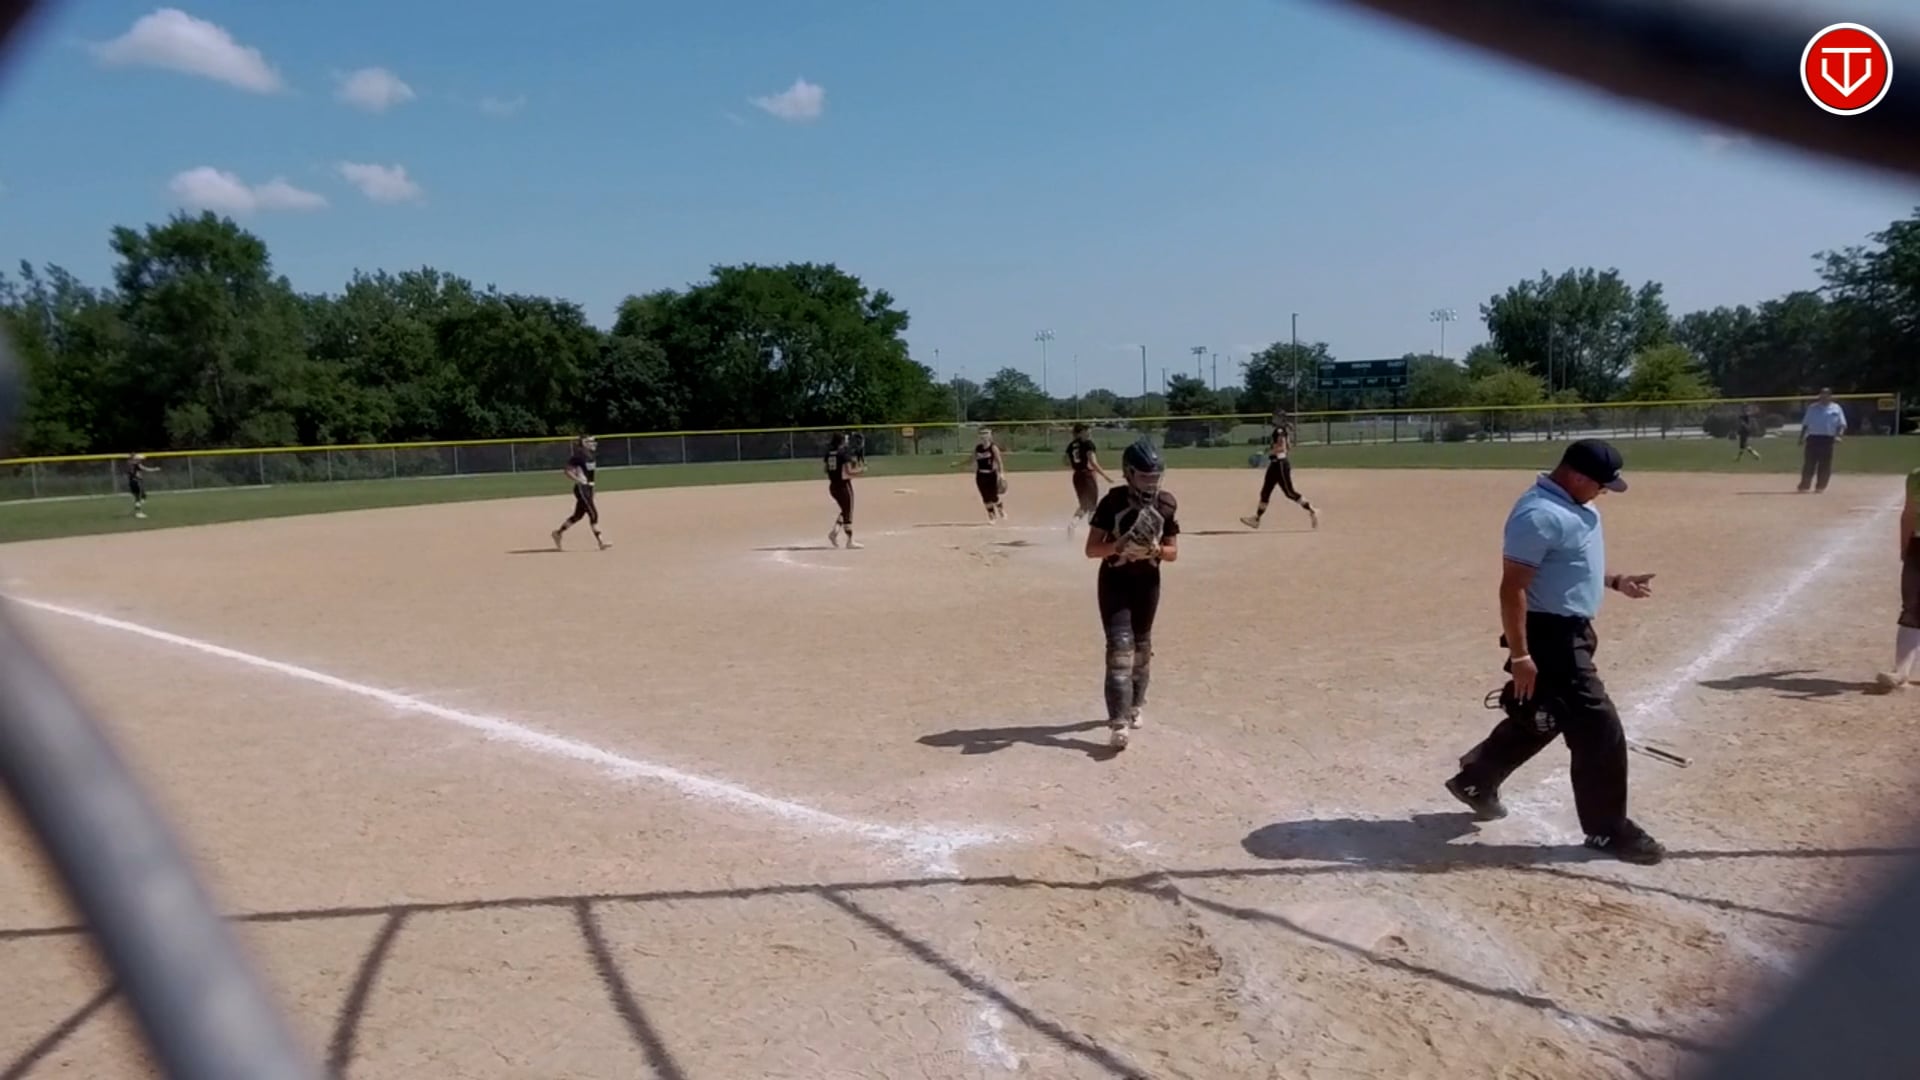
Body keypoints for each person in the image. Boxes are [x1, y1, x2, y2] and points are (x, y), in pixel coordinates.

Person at [1444, 438, 1665, 865]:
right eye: (1600, 484)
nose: (1603, 492)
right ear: (1576, 476)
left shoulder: (1577, 506)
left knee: (1546, 714)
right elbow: (1513, 588)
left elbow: (1572, 563)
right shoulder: (1538, 515)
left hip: (1573, 631)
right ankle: (1607, 829)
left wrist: (1615, 580)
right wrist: (1522, 656)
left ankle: (1477, 779)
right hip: (1550, 635)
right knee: (1599, 726)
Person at [1084, 438, 1180, 751]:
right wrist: (1119, 545)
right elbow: (1091, 549)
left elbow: (1173, 552)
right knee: (1119, 650)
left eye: (1155, 477)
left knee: (1142, 648)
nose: (1151, 484)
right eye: (1144, 477)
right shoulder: (1113, 502)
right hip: (1115, 581)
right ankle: (1118, 722)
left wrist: (1155, 550)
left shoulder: (1165, 504)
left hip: (1147, 583)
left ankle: (1136, 705)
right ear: (1128, 473)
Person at [1876, 466, 1920, 690]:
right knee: (1912, 606)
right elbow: (1909, 513)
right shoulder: (1916, 476)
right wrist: (1905, 547)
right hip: (1919, 546)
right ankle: (1901, 671)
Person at [1241, 409, 1318, 530]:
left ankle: (1311, 510)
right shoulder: (1282, 430)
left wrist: (1266, 452)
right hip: (1275, 465)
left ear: (1281, 418)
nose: (1273, 418)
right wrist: (1270, 451)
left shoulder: (1279, 431)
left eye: (1276, 417)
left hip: (1280, 464)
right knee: (1265, 492)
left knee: (1289, 492)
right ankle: (1256, 519)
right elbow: (1289, 447)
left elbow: (1282, 448)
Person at [551, 435, 610, 551]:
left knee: (578, 515)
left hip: (588, 488)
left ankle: (558, 533)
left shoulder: (591, 456)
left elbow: (591, 475)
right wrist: (578, 480)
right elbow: (567, 470)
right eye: (590, 441)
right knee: (593, 513)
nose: (593, 443)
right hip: (581, 488)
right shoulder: (578, 456)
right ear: (584, 443)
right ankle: (601, 541)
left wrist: (592, 488)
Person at [1064, 422, 1113, 539]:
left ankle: (1072, 524)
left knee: (1084, 505)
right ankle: (1093, 533)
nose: (1089, 433)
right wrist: (1105, 476)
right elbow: (1093, 462)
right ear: (1081, 432)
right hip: (1087, 475)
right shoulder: (1088, 444)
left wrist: (1077, 465)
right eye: (1086, 431)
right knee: (1092, 506)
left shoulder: (1071, 446)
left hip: (1077, 476)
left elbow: (1065, 461)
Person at [1797, 389, 1847, 493]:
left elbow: (1842, 424)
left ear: (1830, 396)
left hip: (1827, 439)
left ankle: (1821, 486)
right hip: (1813, 438)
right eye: (1822, 395)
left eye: (1826, 395)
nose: (1823, 397)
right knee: (1809, 463)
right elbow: (1805, 424)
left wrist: (1839, 436)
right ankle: (1805, 485)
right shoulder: (1812, 408)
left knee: (1825, 464)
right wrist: (1801, 438)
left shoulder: (1836, 408)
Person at [825, 431, 865, 549]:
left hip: (833, 486)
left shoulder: (828, 453)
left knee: (845, 510)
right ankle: (850, 541)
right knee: (848, 512)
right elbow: (849, 471)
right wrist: (861, 471)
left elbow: (826, 469)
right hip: (844, 486)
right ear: (841, 442)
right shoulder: (843, 454)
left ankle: (835, 532)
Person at [972, 427, 1007, 522]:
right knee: (985, 497)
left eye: (986, 434)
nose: (984, 436)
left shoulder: (993, 447)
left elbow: (999, 461)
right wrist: (958, 464)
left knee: (994, 496)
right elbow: (971, 459)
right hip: (981, 475)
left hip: (991, 475)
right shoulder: (978, 448)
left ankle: (1000, 509)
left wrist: (1002, 474)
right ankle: (991, 515)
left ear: (990, 436)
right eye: (982, 434)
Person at [125, 453, 159, 520]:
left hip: (132, 482)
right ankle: (138, 512)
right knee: (139, 497)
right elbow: (145, 469)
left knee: (139, 497)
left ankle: (138, 508)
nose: (140, 460)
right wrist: (155, 469)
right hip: (136, 482)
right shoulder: (136, 464)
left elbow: (131, 472)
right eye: (139, 459)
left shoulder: (129, 464)